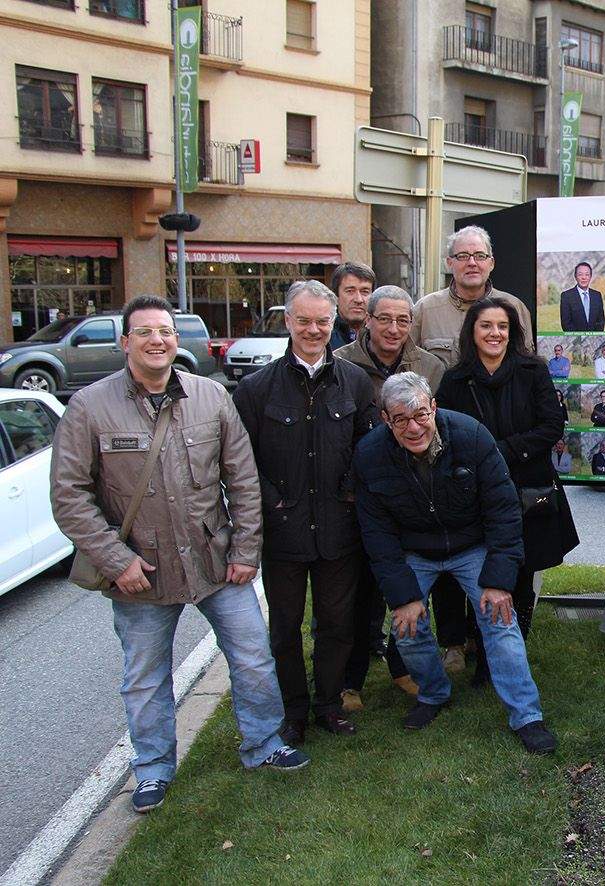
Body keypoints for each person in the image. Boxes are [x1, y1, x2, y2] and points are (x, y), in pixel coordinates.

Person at [50, 294, 309, 815]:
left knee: (253, 657)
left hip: (216, 561)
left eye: (165, 331)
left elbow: (243, 479)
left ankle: (264, 743)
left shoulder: (211, 397)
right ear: (125, 342)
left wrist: (245, 549)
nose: (157, 340)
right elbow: (69, 496)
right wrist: (116, 561)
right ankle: (152, 769)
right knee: (145, 678)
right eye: (145, 332)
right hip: (141, 571)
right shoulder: (89, 408)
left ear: (177, 339)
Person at [354, 373, 557, 753]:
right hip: (415, 550)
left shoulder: (471, 435)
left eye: (420, 414)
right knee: (405, 626)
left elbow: (503, 511)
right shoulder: (369, 455)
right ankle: (433, 693)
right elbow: (377, 534)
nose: (413, 428)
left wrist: (498, 581)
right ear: (385, 419)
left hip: (471, 545)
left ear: (433, 407)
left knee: (500, 618)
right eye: (400, 419)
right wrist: (404, 596)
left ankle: (527, 716)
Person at [233, 281, 378, 746]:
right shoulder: (255, 389)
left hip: (339, 530)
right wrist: (272, 501)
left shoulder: (355, 382)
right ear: (288, 321)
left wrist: (349, 493)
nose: (313, 330)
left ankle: (329, 705)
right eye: (304, 321)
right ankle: (293, 710)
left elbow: (368, 448)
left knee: (337, 624)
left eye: (322, 321)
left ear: (333, 322)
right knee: (284, 629)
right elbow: (240, 461)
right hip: (284, 531)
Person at [436, 296, 579, 645]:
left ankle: (516, 639)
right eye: (486, 325)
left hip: (527, 487)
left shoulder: (533, 371)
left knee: (522, 569)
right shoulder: (455, 380)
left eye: (502, 326)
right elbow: (443, 433)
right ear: (472, 331)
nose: (495, 333)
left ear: (512, 332)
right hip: (474, 490)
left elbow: (552, 425)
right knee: (474, 566)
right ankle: (473, 640)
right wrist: (480, 460)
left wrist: (503, 451)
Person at [334, 285, 446, 708]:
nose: (394, 328)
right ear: (367, 320)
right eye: (384, 319)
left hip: (412, 492)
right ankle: (350, 679)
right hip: (358, 491)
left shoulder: (431, 367)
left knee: (408, 583)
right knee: (359, 591)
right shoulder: (341, 363)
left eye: (403, 320)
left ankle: (403, 668)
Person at [413, 225, 534, 368]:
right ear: (449, 263)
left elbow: (527, 368)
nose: (472, 263)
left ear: (491, 263)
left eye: (480, 256)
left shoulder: (514, 308)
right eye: (463, 256)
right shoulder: (425, 310)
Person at [329, 261, 376, 349]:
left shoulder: (382, 335)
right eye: (350, 291)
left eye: (364, 292)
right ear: (336, 296)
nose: (358, 300)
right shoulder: (324, 336)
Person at [560, 261, 605, 331]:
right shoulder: (566, 296)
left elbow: (601, 321)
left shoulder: (597, 296)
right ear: (575, 276)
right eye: (580, 274)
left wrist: (594, 335)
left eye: (587, 274)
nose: (584, 277)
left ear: (590, 277)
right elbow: (566, 324)